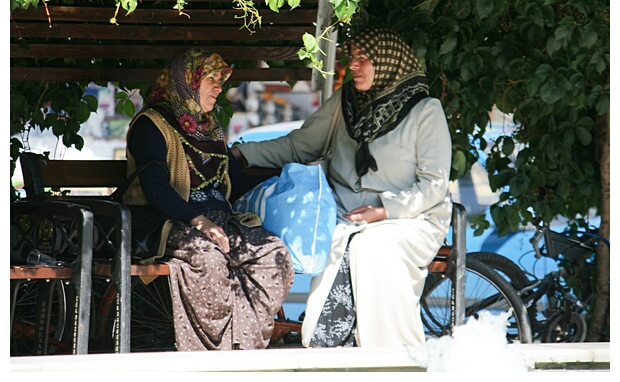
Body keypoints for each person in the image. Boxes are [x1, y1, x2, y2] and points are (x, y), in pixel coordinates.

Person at [231, 26, 453, 348]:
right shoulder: (346, 102)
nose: (354, 66)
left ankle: (393, 356)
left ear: (387, 62)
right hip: (349, 216)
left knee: (373, 246)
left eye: (364, 59)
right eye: (352, 58)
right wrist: (242, 153)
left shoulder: (424, 111)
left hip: (410, 219)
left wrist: (383, 211)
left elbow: (434, 186)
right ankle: (331, 348)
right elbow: (300, 145)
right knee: (341, 238)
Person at [123, 48, 294, 350]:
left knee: (272, 253)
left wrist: (286, 177)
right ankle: (213, 354)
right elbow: (156, 188)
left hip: (220, 223)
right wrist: (198, 221)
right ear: (188, 80)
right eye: (211, 79)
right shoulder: (151, 125)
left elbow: (236, 182)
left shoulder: (208, 126)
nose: (219, 87)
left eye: (220, 80)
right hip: (171, 222)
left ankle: (244, 348)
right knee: (208, 259)